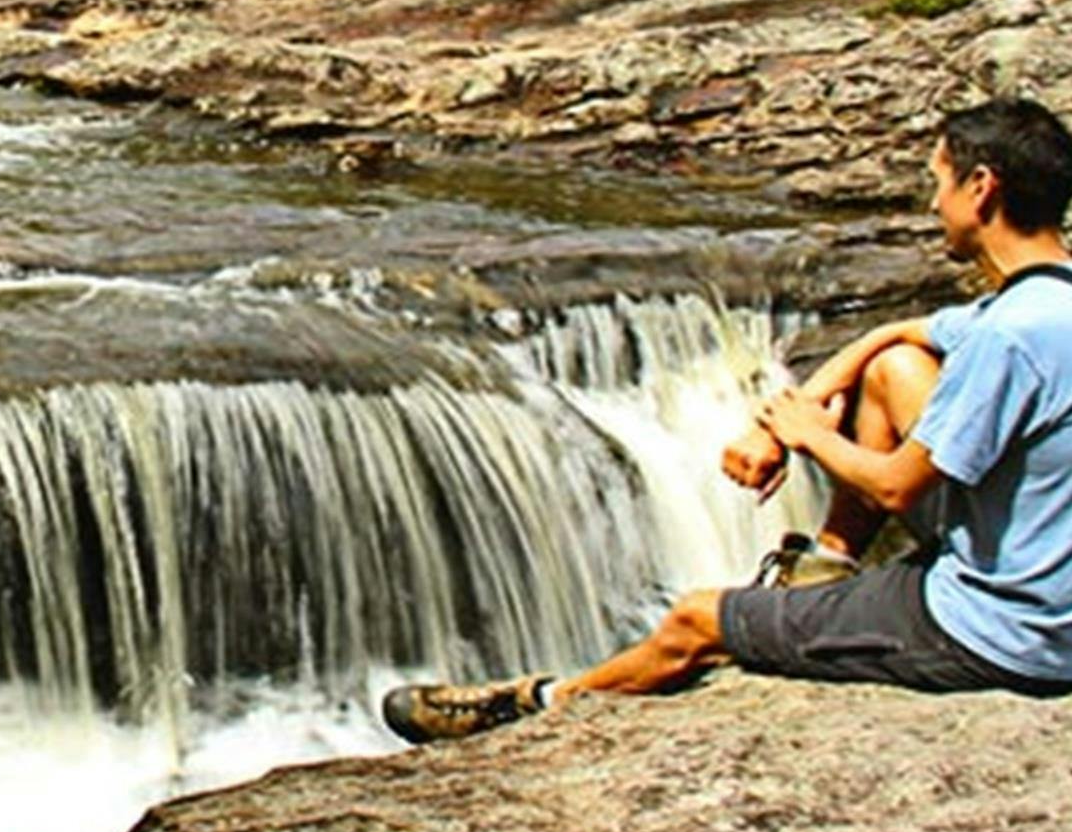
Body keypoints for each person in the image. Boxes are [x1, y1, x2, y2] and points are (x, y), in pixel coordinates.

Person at [382, 97, 1072, 745]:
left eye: (939, 181)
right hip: (1045, 578)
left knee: (696, 620)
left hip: (1007, 634)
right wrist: (775, 426)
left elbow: (895, 489)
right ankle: (826, 569)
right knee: (896, 368)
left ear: (981, 187)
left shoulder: (1009, 339)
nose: (931, 202)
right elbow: (890, 338)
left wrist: (810, 436)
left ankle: (533, 706)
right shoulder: (1042, 303)